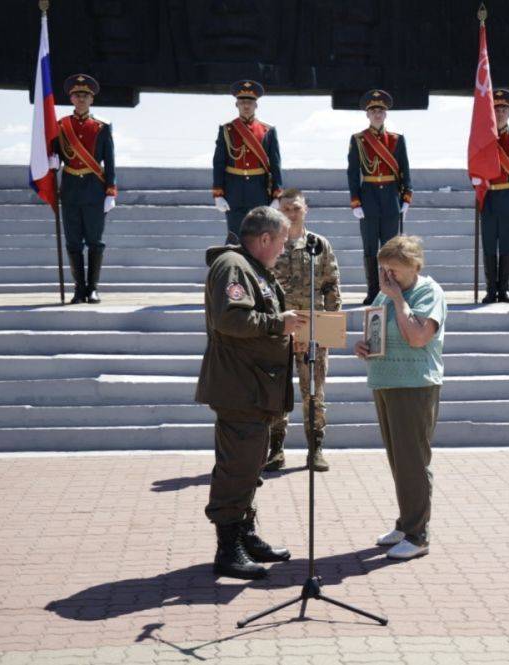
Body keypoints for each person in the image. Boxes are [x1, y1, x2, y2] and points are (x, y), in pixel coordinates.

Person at [195, 206, 307, 580]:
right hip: (240, 386)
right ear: (263, 239)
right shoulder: (233, 266)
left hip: (254, 386)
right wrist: (280, 323)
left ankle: (245, 534)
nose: (283, 251)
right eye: (281, 243)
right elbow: (232, 319)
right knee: (237, 467)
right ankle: (228, 548)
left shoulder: (251, 268)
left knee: (249, 464)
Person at [353, 236, 445, 560]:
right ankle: (406, 523)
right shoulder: (388, 291)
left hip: (414, 384)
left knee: (413, 461)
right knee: (398, 459)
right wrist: (365, 347)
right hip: (386, 381)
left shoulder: (427, 292)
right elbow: (381, 332)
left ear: (415, 266)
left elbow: (418, 337)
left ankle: (418, 535)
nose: (388, 275)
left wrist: (397, 300)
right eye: (384, 268)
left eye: (394, 269)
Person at [265, 188, 342, 473]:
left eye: (295, 207)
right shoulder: (271, 244)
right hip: (279, 329)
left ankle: (316, 448)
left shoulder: (318, 244)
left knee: (314, 392)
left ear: (305, 208)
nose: (291, 213)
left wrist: (330, 326)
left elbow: (331, 284)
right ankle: (276, 449)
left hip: (313, 329)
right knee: (277, 391)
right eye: (285, 208)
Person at [52, 74, 116, 304]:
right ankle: (79, 289)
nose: (81, 99)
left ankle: (93, 288)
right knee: (73, 242)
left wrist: (111, 191)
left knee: (95, 241)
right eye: (77, 95)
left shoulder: (102, 127)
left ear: (91, 100)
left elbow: (110, 161)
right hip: (69, 189)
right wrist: (52, 160)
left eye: (85, 95)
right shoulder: (61, 126)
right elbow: (55, 155)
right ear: (71, 98)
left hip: (94, 189)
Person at [347, 89, 413, 305]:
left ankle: (389, 291)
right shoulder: (358, 140)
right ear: (367, 114)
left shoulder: (397, 139)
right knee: (369, 248)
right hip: (368, 198)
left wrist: (406, 197)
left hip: (391, 199)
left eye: (381, 111)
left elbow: (405, 169)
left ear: (386, 114)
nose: (377, 114)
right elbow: (352, 172)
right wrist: (355, 200)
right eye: (373, 110)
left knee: (390, 249)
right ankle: (373, 291)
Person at [470, 89, 509, 304]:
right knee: (488, 245)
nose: (501, 112)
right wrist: (475, 180)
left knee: (506, 245)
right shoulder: (483, 140)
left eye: (505, 109)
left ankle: (503, 290)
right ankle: (490, 290)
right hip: (488, 198)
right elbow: (475, 164)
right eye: (497, 109)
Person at [212, 80, 284, 242]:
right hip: (233, 189)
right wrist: (218, 193)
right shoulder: (226, 130)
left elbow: (275, 164)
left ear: (256, 105)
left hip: (258, 188)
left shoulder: (268, 131)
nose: (246, 105)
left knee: (259, 236)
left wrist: (277, 195)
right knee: (235, 236)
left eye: (250, 102)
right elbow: (219, 163)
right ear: (236, 104)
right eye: (242, 102)